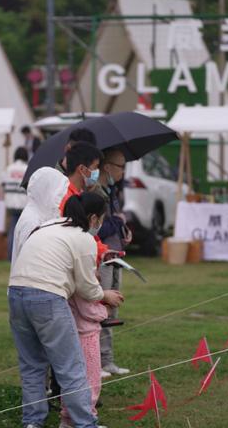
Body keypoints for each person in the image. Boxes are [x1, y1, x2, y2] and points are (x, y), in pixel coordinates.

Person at [8, 192, 124, 428]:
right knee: (71, 367)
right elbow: (87, 288)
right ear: (93, 218)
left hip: (16, 293)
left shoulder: (49, 225)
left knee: (32, 367)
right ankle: (84, 423)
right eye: (101, 219)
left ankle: (32, 422)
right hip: (47, 297)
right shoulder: (84, 239)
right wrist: (106, 295)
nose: (100, 224)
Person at [90, 148, 132, 378]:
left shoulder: (112, 190)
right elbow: (99, 228)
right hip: (102, 256)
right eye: (120, 166)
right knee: (100, 308)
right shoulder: (96, 192)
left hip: (116, 255)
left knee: (112, 309)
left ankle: (107, 360)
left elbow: (112, 224)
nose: (123, 171)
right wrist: (117, 222)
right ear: (107, 167)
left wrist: (123, 227)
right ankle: (96, 361)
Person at [59, 291, 108, 428]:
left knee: (71, 380)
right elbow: (89, 311)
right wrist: (106, 310)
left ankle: (67, 420)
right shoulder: (82, 286)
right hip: (86, 337)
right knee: (91, 381)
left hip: (71, 334)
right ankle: (87, 418)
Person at [2, 147, 29, 259]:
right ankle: (23, 255)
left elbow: (3, 184)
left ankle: (10, 256)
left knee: (12, 230)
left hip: (11, 204)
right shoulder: (27, 168)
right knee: (24, 230)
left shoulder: (8, 169)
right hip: (24, 204)